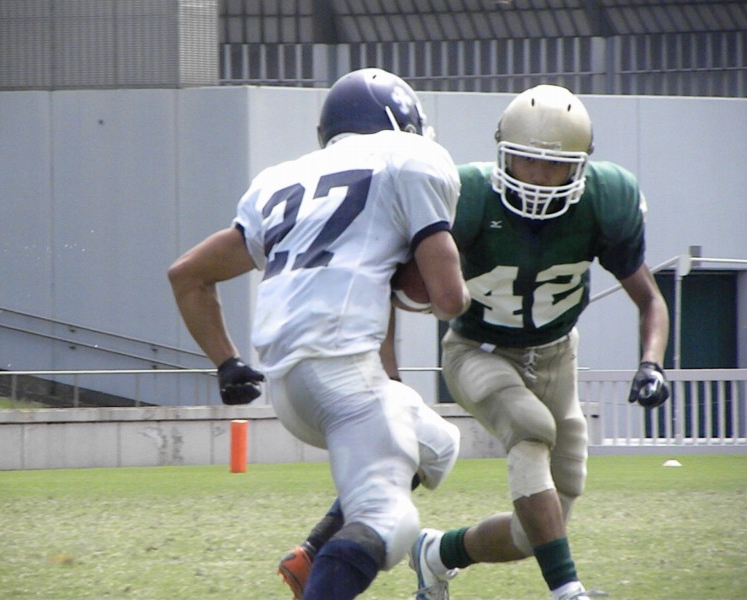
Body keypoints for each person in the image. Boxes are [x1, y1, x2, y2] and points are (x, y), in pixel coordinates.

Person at [277, 84, 671, 600]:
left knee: (536, 531)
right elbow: (385, 284)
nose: (539, 176)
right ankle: (568, 591)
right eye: (527, 160)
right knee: (530, 428)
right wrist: (389, 380)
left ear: (581, 166)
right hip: (477, 352)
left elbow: (650, 299)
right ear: (502, 153)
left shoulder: (605, 201)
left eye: (554, 165)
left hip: (557, 355)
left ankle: (436, 554)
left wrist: (651, 363)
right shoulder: (465, 197)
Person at [168, 67, 471, 600]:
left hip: (287, 386)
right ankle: (328, 571)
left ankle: (314, 552)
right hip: (341, 373)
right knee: (389, 523)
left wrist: (227, 361)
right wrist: (457, 290)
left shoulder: (281, 180)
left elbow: (187, 274)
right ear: (400, 123)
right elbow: (448, 299)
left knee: (439, 445)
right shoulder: (411, 159)